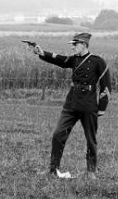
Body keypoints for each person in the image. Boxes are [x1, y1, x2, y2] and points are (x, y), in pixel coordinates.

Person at [31, 33, 111, 178]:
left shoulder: (98, 61)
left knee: (90, 139)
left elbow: (106, 86)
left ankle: (91, 171)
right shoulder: (73, 60)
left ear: (84, 45)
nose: (73, 47)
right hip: (72, 103)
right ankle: (53, 169)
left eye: (75, 44)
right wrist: (41, 52)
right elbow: (59, 59)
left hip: (89, 104)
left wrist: (102, 108)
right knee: (58, 134)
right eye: (72, 45)